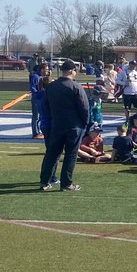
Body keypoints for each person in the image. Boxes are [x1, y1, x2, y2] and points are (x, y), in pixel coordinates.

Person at [39, 60, 91, 192]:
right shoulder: (76, 87)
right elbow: (84, 108)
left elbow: (46, 106)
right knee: (71, 155)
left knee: (52, 154)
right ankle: (66, 183)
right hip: (74, 126)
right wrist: (84, 124)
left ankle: (44, 181)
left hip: (56, 125)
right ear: (72, 70)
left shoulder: (51, 87)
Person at [29, 63, 49, 137]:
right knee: (36, 116)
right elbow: (32, 87)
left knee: (41, 116)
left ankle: (39, 131)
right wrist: (38, 94)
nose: (47, 71)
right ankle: (35, 133)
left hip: (41, 99)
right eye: (46, 69)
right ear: (42, 69)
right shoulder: (35, 77)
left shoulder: (42, 77)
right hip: (36, 99)